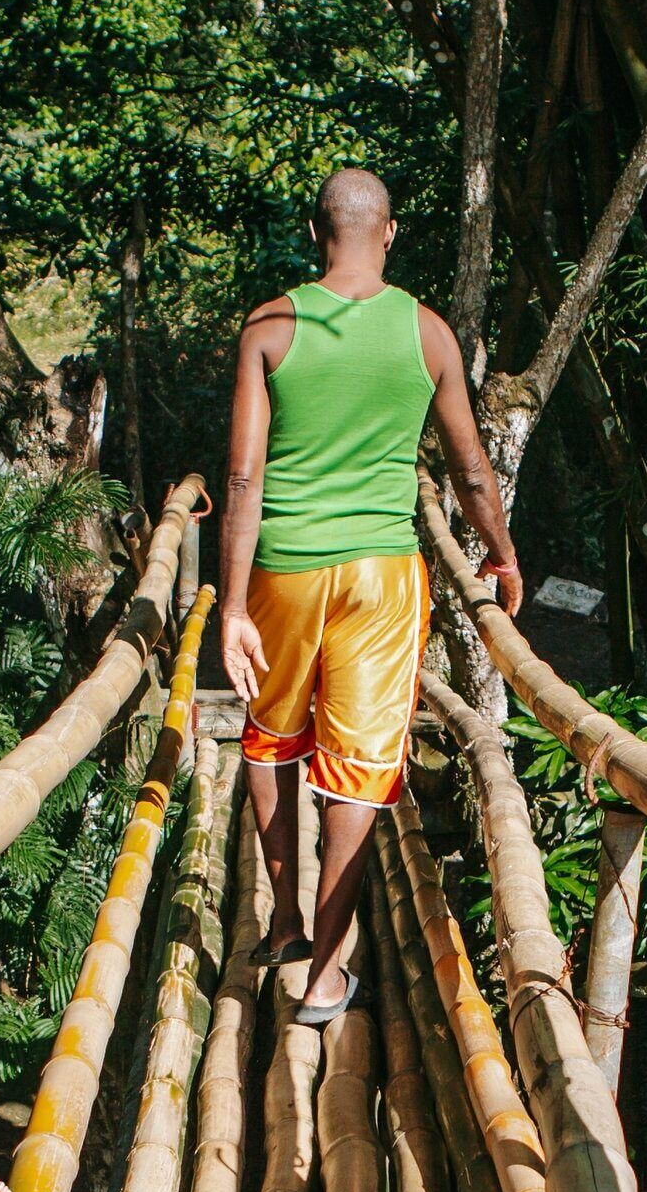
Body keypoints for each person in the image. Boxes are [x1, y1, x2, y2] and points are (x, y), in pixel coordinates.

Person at [218, 169, 521, 1027]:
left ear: (318, 236)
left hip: (284, 566)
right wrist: (500, 553)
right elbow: (468, 470)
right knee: (356, 768)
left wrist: (234, 608)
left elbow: (243, 476)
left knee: (272, 738)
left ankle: (283, 924)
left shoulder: (271, 327)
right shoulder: (427, 333)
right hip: (383, 575)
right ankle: (325, 977)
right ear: (389, 234)